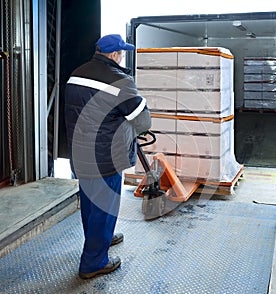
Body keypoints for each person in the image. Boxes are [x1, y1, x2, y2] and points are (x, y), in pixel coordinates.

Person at [64, 34, 151, 279]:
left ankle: (98, 239)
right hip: (106, 158)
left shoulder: (77, 73)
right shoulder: (119, 80)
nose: (122, 56)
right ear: (114, 55)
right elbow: (143, 121)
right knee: (105, 207)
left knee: (90, 204)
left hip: (80, 153)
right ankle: (93, 262)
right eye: (121, 52)